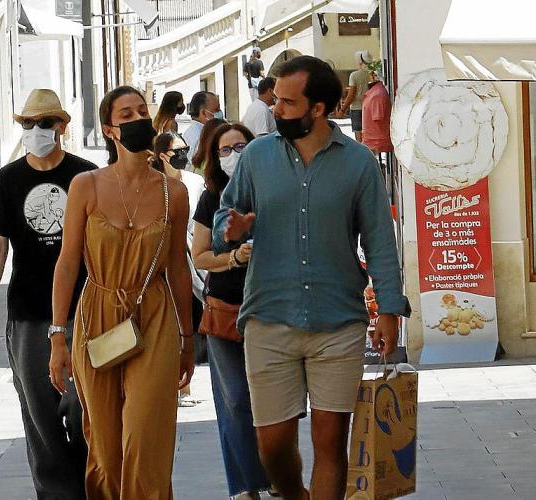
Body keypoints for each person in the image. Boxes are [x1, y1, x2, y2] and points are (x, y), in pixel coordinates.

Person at [212, 56, 411, 500]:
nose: (275, 109)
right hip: (269, 317)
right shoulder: (257, 156)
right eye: (276, 100)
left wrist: (389, 310)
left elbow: (380, 241)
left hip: (337, 321)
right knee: (272, 447)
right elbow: (226, 213)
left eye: (287, 102)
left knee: (330, 442)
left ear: (317, 108)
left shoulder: (358, 163)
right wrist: (232, 227)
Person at [49, 85, 195, 498]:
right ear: (109, 129)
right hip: (97, 313)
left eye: (141, 112)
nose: (137, 120)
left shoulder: (174, 193)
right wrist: (57, 335)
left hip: (153, 315)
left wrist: (188, 337)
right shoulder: (86, 186)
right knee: (104, 446)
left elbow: (178, 267)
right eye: (126, 115)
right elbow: (67, 262)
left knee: (147, 437)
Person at [0, 88, 95, 500]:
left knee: (82, 406)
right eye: (29, 123)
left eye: (45, 122)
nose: (36, 130)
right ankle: (56, 494)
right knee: (38, 411)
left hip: (82, 312)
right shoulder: (8, 180)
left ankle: (89, 483)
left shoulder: (85, 175)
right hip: (28, 314)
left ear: (61, 126)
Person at [192, 122, 271, 500]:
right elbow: (200, 256)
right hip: (225, 309)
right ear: (214, 157)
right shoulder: (211, 199)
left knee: (273, 399)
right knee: (235, 399)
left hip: (271, 310)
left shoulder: (269, 190)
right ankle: (245, 484)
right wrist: (234, 258)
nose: (233, 155)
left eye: (240, 147)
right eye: (225, 150)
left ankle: (275, 472)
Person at [151, 131, 208, 403]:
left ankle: (185, 382)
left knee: (191, 320)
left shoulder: (195, 182)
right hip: (164, 261)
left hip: (193, 259)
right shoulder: (154, 184)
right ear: (164, 155)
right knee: (169, 322)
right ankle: (176, 386)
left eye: (186, 149)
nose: (184, 155)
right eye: (178, 151)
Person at [338, 50, 373, 142]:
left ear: (360, 62)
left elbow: (351, 94)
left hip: (357, 108)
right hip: (370, 107)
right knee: (369, 134)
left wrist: (342, 110)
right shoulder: (373, 74)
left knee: (359, 136)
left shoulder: (354, 75)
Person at [184, 91, 222, 162]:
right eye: (216, 110)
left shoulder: (204, 131)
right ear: (203, 113)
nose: (220, 113)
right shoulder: (199, 136)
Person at [361, 74, 393, 155]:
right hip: (372, 140)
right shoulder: (374, 94)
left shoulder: (377, 95)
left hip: (376, 141)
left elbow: (378, 119)